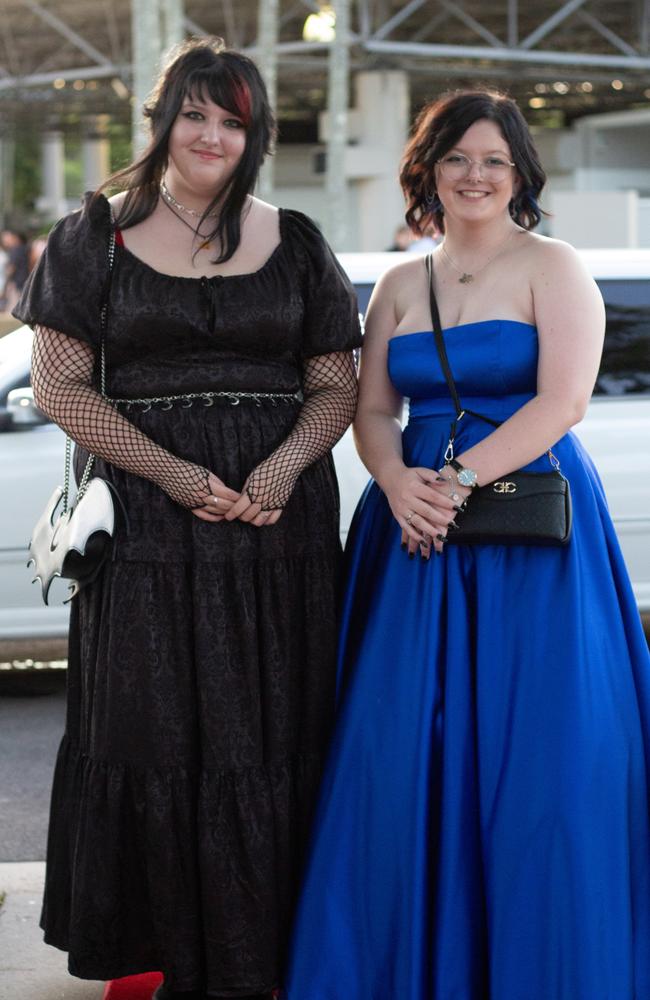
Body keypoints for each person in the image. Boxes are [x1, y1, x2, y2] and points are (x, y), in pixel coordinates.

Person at [14, 38, 361, 1000]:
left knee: (277, 729)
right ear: (162, 120)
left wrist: (285, 466)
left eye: (233, 119)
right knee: (155, 730)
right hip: (149, 533)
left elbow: (337, 384)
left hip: (274, 532)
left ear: (255, 134)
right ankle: (169, 949)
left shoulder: (294, 238)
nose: (212, 135)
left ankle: (279, 950)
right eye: (196, 114)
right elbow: (59, 386)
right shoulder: (92, 235)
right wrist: (173, 474)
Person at [283, 90, 650, 999]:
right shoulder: (403, 285)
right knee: (395, 754)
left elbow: (561, 401)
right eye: (456, 159)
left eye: (492, 159)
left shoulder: (554, 266)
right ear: (429, 173)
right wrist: (397, 481)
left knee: (543, 757)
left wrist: (451, 482)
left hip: (529, 532)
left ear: (520, 172)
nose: (475, 175)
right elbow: (372, 409)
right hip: (411, 532)